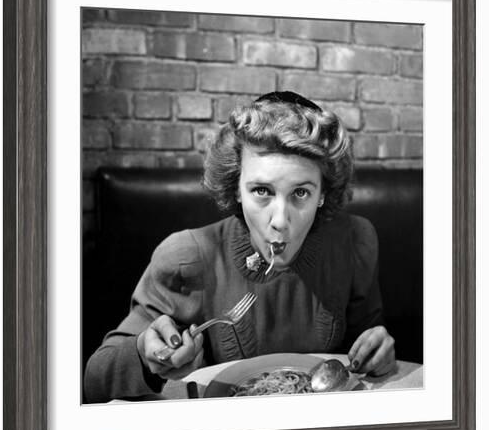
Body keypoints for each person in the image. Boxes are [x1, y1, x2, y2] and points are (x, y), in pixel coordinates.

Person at [84, 91, 396, 402]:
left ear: (324, 194)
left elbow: (367, 341)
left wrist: (377, 350)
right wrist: (144, 355)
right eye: (262, 190)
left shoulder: (355, 242)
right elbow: (96, 380)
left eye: (301, 193)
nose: (280, 221)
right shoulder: (186, 257)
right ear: (236, 189)